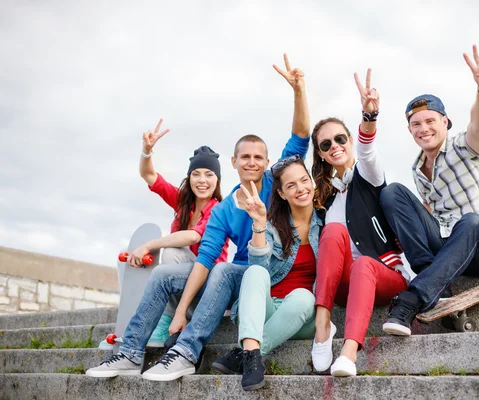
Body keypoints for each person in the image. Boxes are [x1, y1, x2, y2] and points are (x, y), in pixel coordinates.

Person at [85, 54, 311, 380]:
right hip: (234, 278)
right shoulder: (223, 210)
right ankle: (131, 352)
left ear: (267, 161)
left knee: (222, 268)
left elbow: (301, 137)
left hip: (263, 277)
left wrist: (299, 91)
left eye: (258, 157)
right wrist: (180, 312)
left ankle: (185, 353)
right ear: (234, 161)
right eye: (245, 156)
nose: (252, 162)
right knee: (165, 274)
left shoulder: (277, 185)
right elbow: (203, 259)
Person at [380, 45, 479, 336]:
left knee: (470, 221)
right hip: (449, 246)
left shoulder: (465, 146)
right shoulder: (418, 169)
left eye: (430, 121)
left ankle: (412, 299)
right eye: (416, 124)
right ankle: (434, 277)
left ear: (444, 121)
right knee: (392, 192)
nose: (424, 129)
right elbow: (429, 213)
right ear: (410, 130)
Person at [310, 69, 410, 377]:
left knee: (364, 263)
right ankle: (323, 326)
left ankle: (349, 353)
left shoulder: (369, 176)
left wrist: (370, 114)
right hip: (341, 285)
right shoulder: (323, 196)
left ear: (350, 140)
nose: (334, 147)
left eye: (340, 139)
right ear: (322, 155)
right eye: (325, 145)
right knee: (334, 230)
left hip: (382, 274)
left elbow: (367, 150)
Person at [98, 120, 229, 350]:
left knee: (169, 254)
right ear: (189, 178)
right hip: (181, 281)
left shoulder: (218, 208)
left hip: (207, 283)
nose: (202, 180)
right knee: (154, 262)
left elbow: (192, 237)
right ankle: (140, 323)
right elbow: (149, 176)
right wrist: (146, 151)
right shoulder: (182, 201)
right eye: (196, 174)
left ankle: (165, 319)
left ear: (217, 179)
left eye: (209, 174)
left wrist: (149, 245)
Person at [212, 155, 322, 391]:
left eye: (304, 180)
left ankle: (245, 354)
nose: (300, 189)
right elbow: (259, 268)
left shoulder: (326, 224)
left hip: (302, 316)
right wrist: (260, 223)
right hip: (262, 311)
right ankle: (252, 356)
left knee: (304, 297)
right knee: (254, 272)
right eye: (291, 185)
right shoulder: (273, 224)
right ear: (282, 193)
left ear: (312, 182)